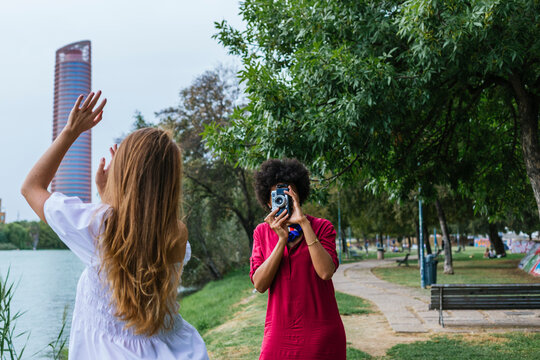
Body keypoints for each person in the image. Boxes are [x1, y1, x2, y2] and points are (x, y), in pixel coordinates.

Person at [21, 91, 208, 359]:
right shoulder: (177, 232)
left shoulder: (96, 226)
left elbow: (31, 188)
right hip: (174, 350)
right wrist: (108, 197)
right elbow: (139, 229)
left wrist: (71, 131)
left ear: (123, 173)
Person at [250, 159, 346, 360]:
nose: (283, 200)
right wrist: (281, 239)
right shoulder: (262, 232)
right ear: (268, 202)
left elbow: (326, 272)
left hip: (322, 334)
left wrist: (303, 223)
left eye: (289, 195)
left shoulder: (322, 227)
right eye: (276, 197)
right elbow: (259, 284)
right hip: (278, 333)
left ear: (298, 197)